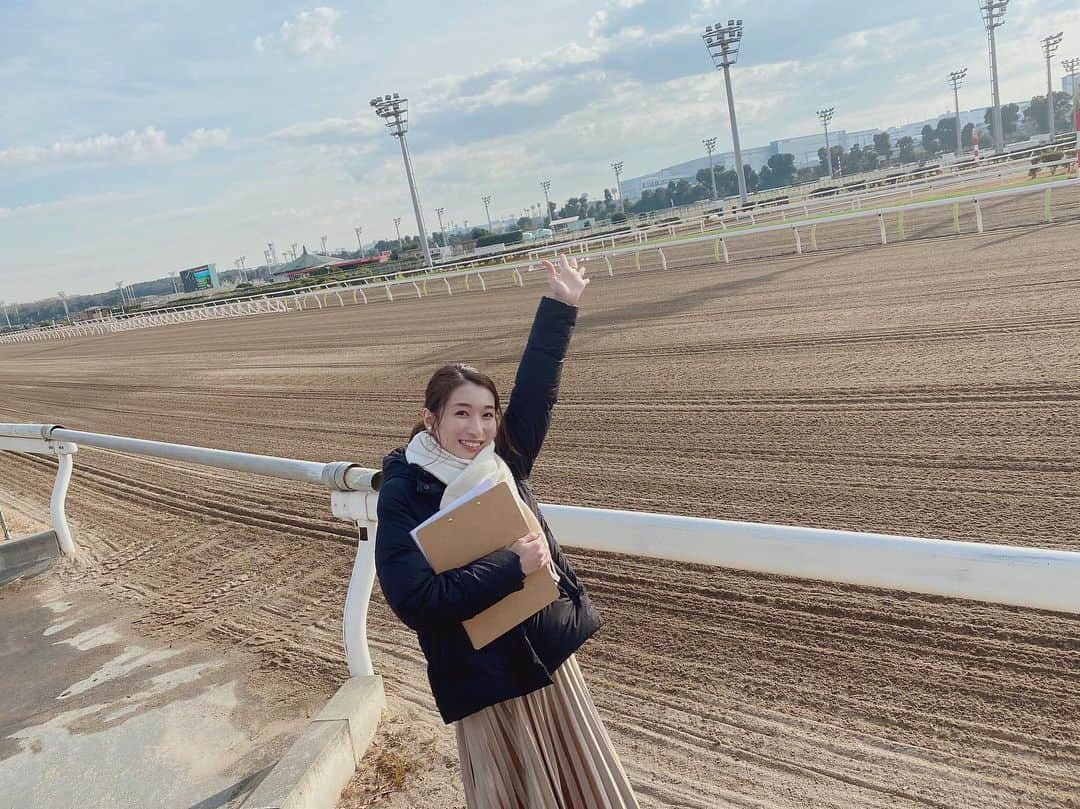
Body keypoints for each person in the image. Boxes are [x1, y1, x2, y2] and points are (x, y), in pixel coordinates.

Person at [374, 254, 639, 809]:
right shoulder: (405, 490)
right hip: (484, 680)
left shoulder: (505, 459)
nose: (477, 429)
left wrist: (562, 304)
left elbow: (538, 386)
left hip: (546, 656)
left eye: (488, 414)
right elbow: (416, 600)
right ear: (431, 420)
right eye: (462, 414)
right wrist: (512, 566)